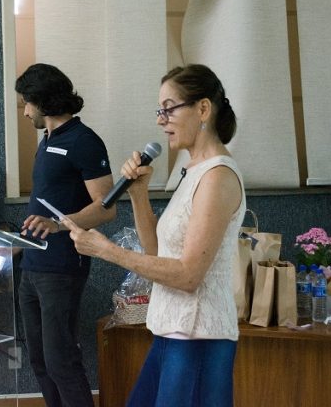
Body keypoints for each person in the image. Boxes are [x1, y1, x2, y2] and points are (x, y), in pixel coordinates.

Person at [63, 64, 245, 407]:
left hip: (198, 337)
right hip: (172, 332)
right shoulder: (194, 171)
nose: (161, 120)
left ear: (203, 109)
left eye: (169, 108)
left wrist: (107, 250)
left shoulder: (217, 176)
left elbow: (189, 275)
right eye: (159, 110)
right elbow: (156, 253)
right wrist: (138, 193)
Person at [15, 62, 116, 407]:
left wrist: (59, 224)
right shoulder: (48, 139)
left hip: (61, 268)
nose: (25, 111)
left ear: (44, 101)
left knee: (61, 362)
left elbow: (107, 207)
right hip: (32, 264)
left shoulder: (84, 141)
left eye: (27, 102)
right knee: (40, 361)